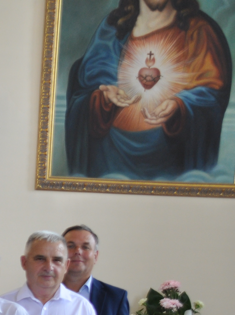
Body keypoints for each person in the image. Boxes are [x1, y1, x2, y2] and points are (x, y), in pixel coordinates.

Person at [65, 0, 232, 180]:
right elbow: (86, 85)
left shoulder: (198, 30)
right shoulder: (113, 28)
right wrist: (103, 97)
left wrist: (179, 105)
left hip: (171, 160)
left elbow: (211, 93)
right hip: (110, 157)